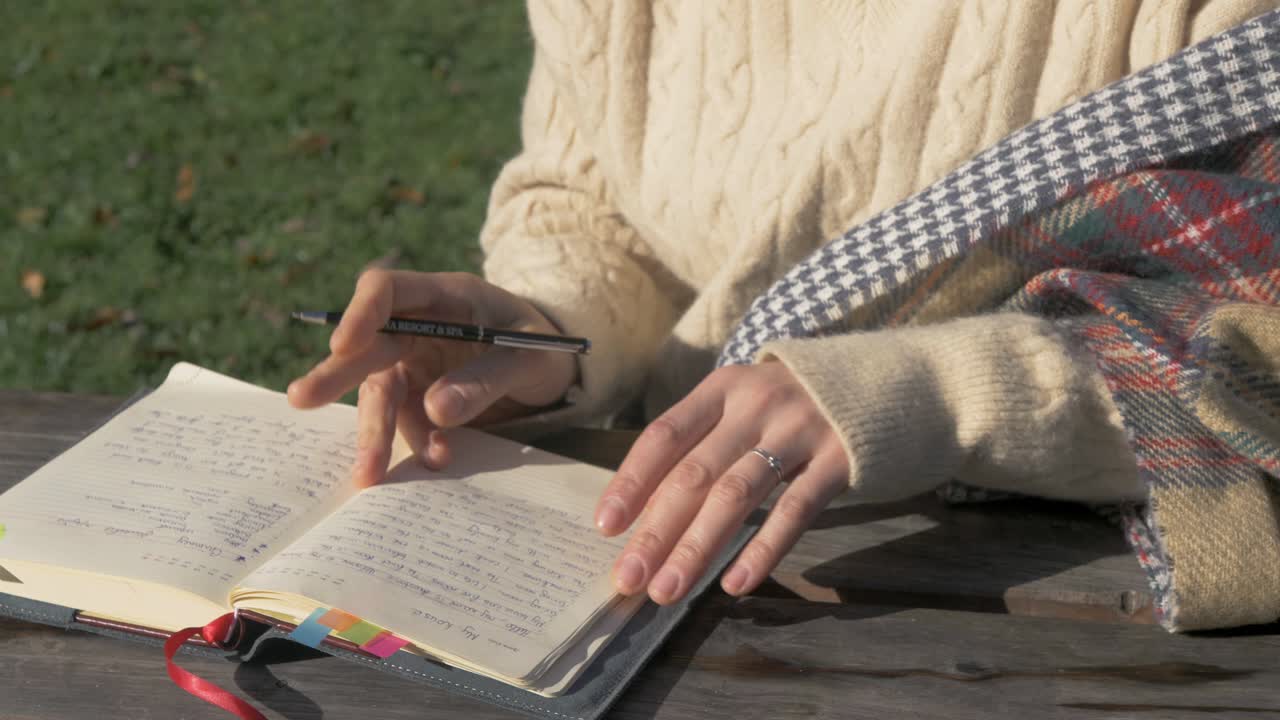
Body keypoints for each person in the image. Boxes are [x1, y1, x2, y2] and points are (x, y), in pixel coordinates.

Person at [287, 0, 1279, 610]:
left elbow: (1254, 351)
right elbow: (597, 203)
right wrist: (540, 327)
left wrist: (930, 394)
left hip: (1033, 603)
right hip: (684, 578)